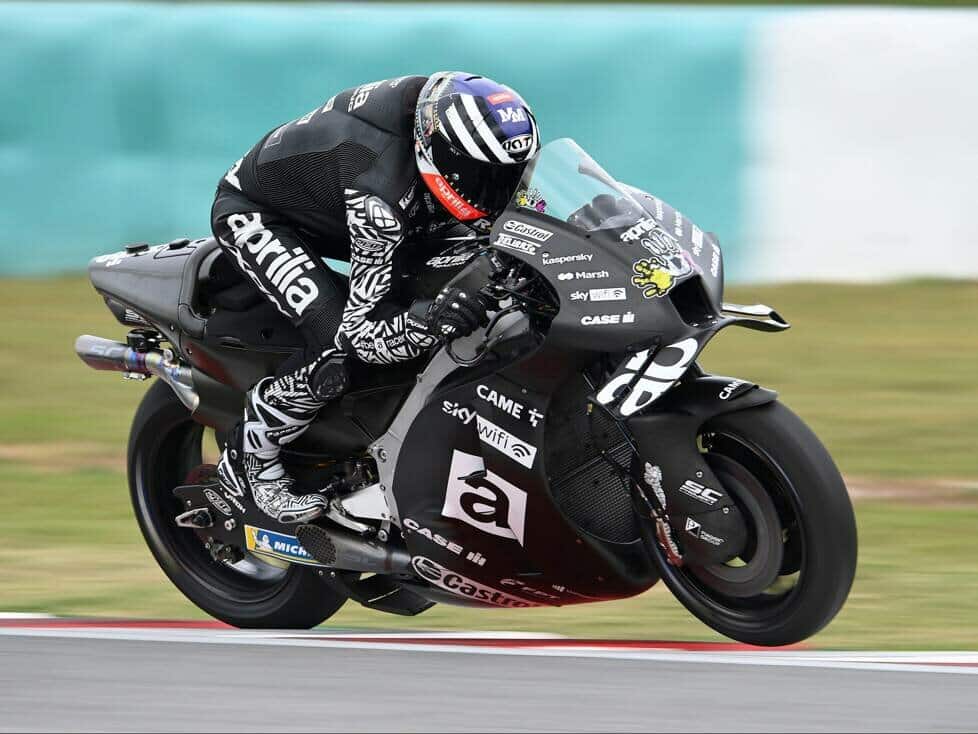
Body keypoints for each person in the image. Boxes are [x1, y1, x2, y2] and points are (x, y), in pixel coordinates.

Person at [212, 71, 539, 523]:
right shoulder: (380, 190)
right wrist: (432, 320)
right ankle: (249, 462)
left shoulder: (451, 124)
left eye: (508, 176)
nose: (497, 193)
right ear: (441, 157)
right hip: (260, 216)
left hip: (358, 199)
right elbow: (362, 335)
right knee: (336, 343)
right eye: (483, 178)